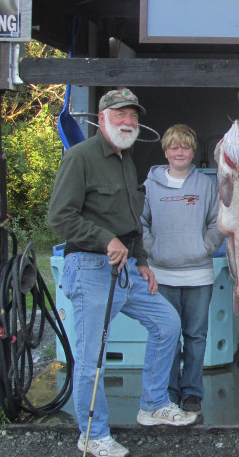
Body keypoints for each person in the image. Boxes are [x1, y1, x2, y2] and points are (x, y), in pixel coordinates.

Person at [48, 88, 197, 457]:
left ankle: (152, 405)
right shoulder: (80, 157)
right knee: (92, 356)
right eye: (120, 115)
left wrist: (142, 261)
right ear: (102, 119)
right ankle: (92, 434)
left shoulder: (126, 160)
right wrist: (104, 239)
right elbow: (60, 217)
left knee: (167, 324)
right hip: (90, 265)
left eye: (132, 116)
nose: (128, 121)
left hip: (127, 268)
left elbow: (132, 220)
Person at [141, 124, 224, 414]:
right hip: (161, 274)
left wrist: (205, 246)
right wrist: (151, 248)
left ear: (192, 152)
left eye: (185, 147)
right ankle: (168, 393)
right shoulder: (150, 184)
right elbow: (141, 223)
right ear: (166, 151)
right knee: (166, 335)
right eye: (174, 147)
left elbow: (217, 223)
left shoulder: (205, 184)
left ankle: (191, 393)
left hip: (198, 275)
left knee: (195, 336)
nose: (180, 152)